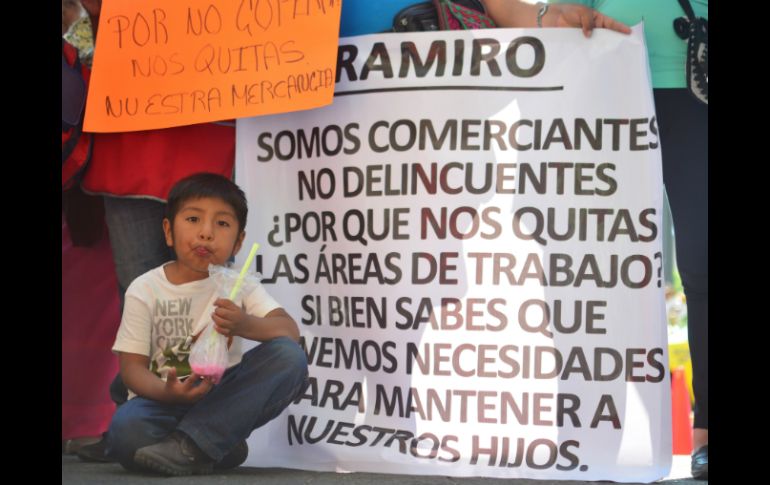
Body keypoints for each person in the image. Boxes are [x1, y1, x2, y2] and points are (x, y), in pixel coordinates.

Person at [509, 0, 708, 479]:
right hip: (601, 79)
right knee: (591, 262)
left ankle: (704, 432)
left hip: (694, 88)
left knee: (703, 265)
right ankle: (589, 432)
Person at [103, 173, 309, 476]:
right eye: (193, 219)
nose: (206, 233)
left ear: (239, 242)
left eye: (222, 224)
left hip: (224, 397)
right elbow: (132, 369)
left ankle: (194, 445)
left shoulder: (239, 285)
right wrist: (167, 392)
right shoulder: (143, 288)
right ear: (168, 231)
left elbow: (288, 331)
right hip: (163, 399)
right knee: (126, 430)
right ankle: (212, 443)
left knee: (290, 357)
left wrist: (244, 324)